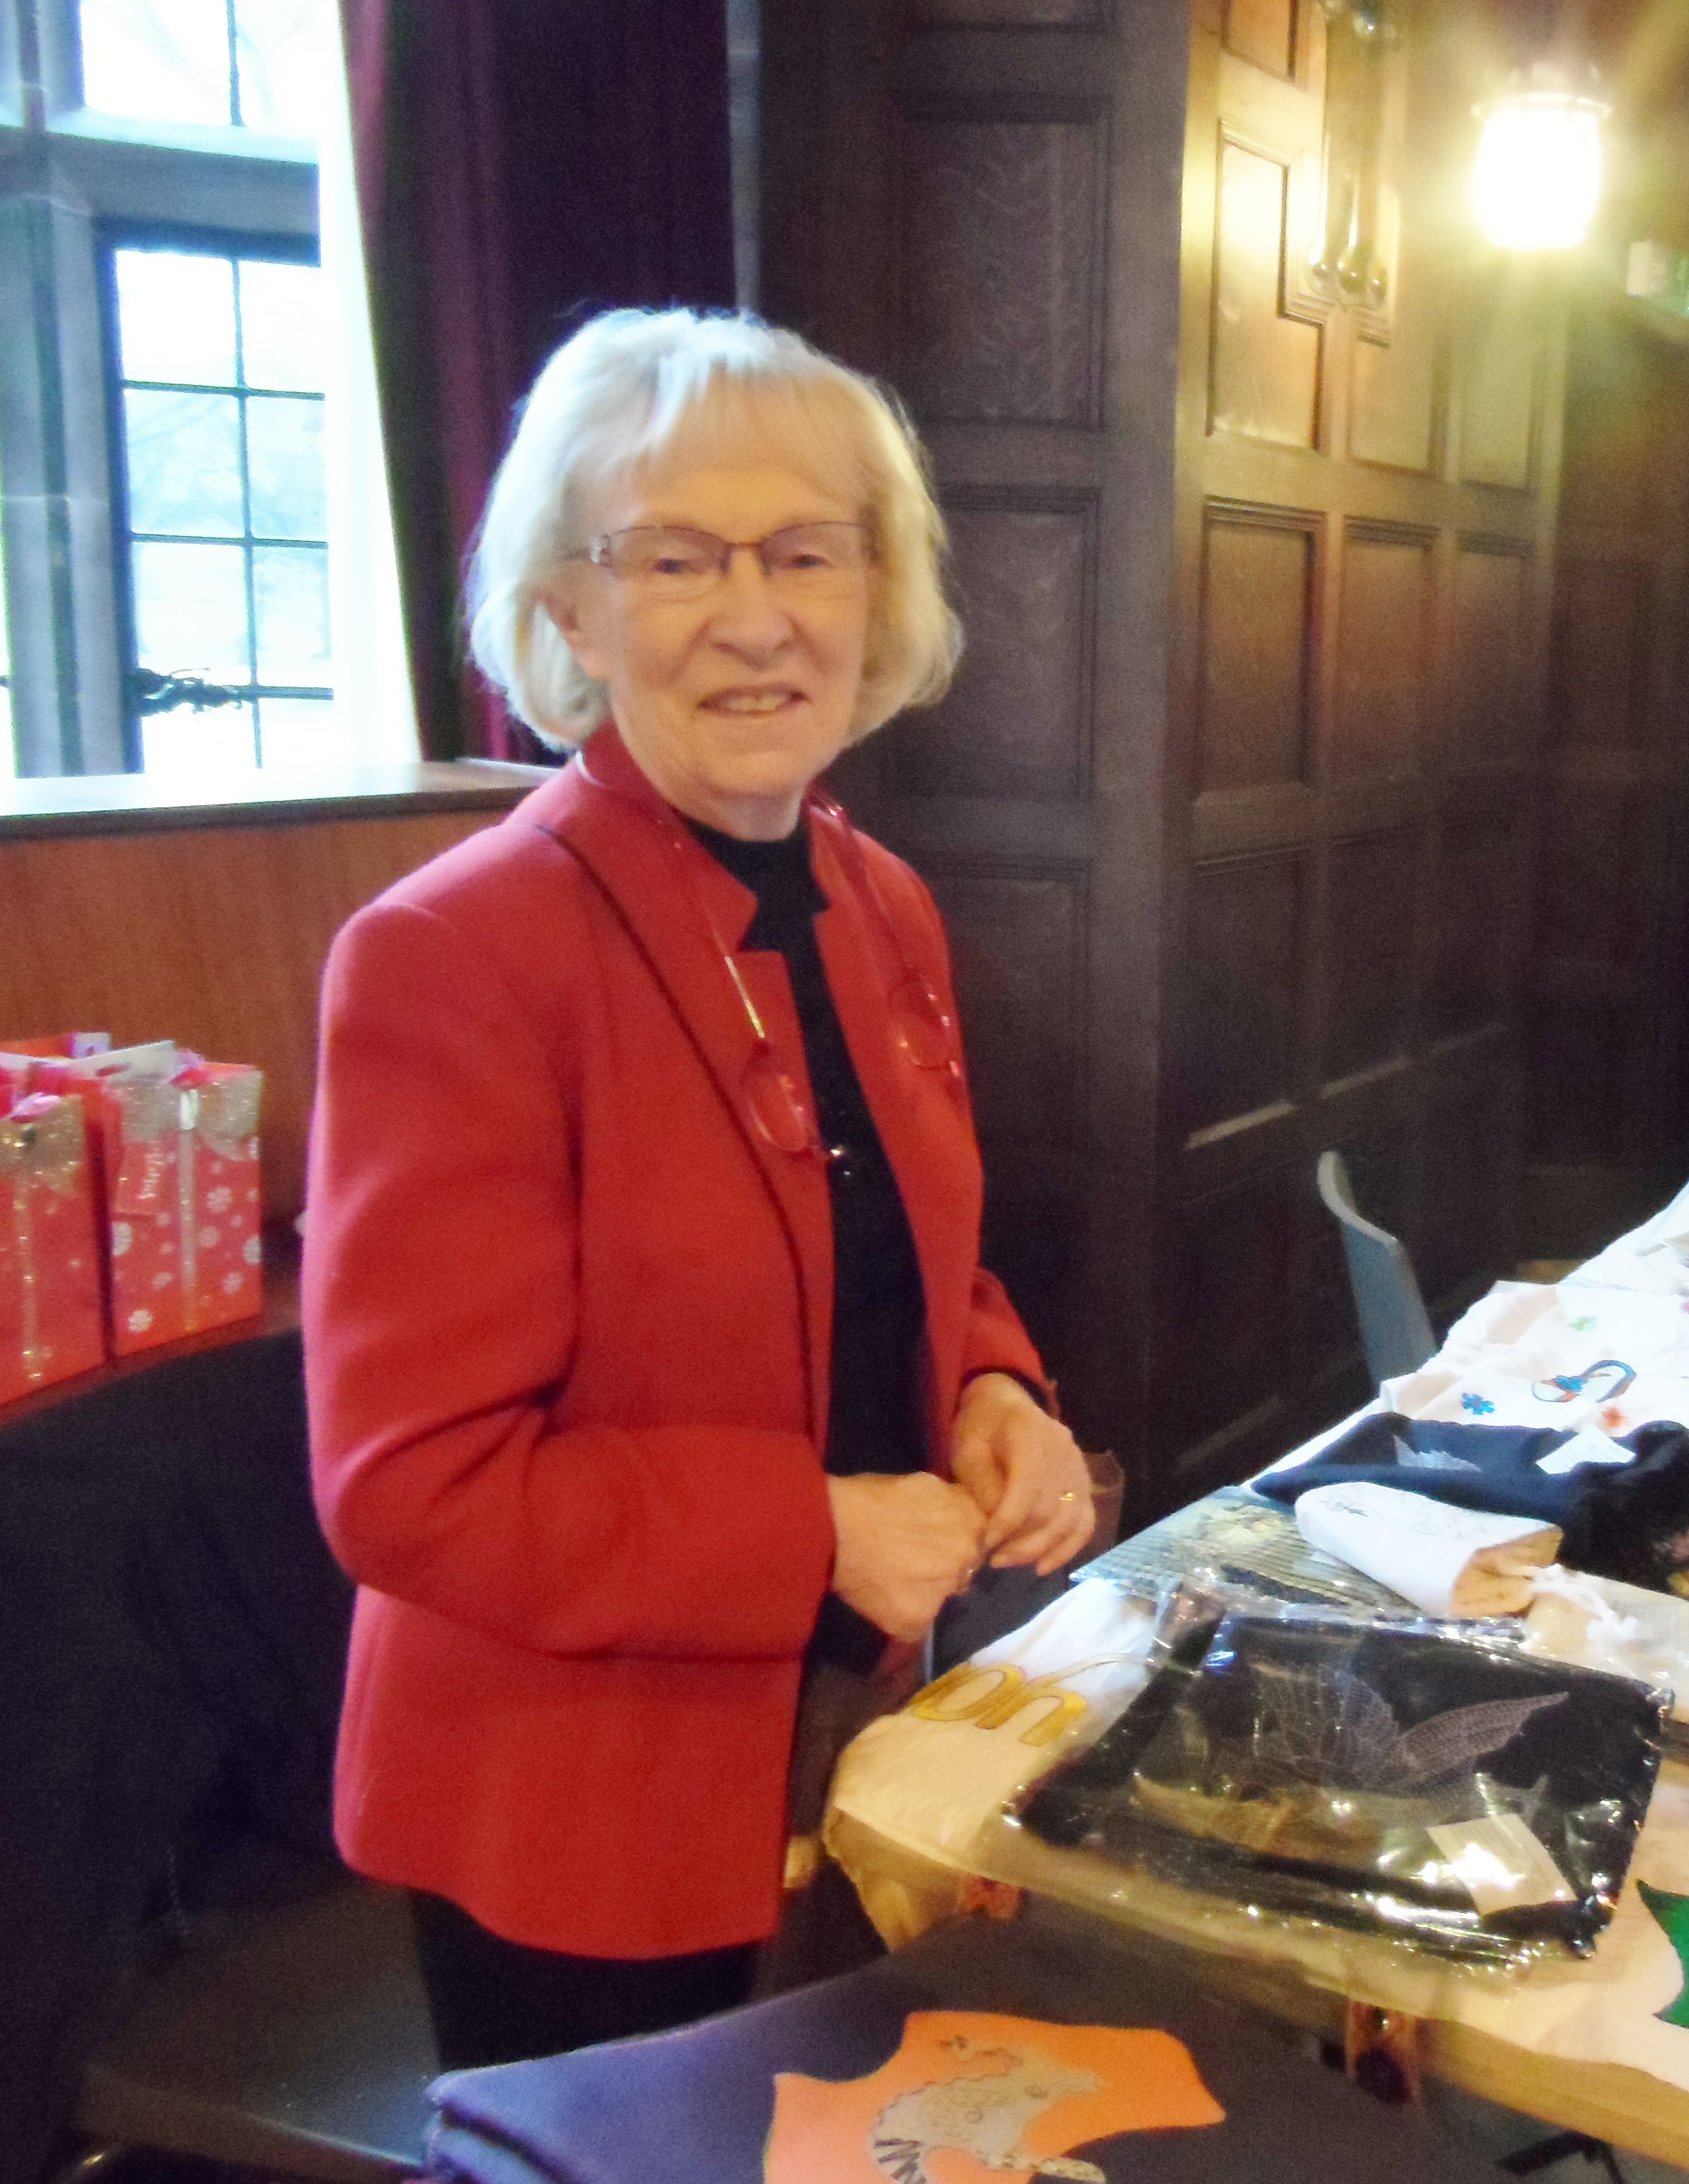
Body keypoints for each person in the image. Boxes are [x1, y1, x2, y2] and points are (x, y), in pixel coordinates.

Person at [302, 309, 1095, 2068]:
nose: (756, 617)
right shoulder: (450, 957)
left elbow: (894, 1247)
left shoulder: (878, 899)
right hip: (571, 1815)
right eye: (674, 557)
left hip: (843, 1732)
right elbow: (410, 1488)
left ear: (873, 595)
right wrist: (814, 1529)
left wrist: (997, 1385)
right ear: (571, 612)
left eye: (807, 551)